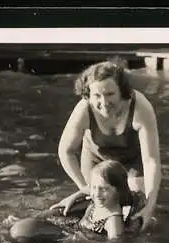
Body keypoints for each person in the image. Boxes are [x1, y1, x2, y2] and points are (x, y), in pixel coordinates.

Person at [49, 59, 162, 231]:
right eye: (97, 96)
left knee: (135, 208)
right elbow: (66, 151)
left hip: (131, 162)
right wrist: (85, 189)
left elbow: (151, 161)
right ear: (88, 94)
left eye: (110, 94)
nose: (103, 102)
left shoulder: (140, 107)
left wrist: (150, 206)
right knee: (96, 204)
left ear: (122, 91)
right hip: (96, 161)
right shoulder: (84, 109)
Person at [77, 160, 145, 239]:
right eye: (94, 187)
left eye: (104, 189)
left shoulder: (113, 222)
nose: (97, 194)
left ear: (118, 190)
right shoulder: (95, 205)